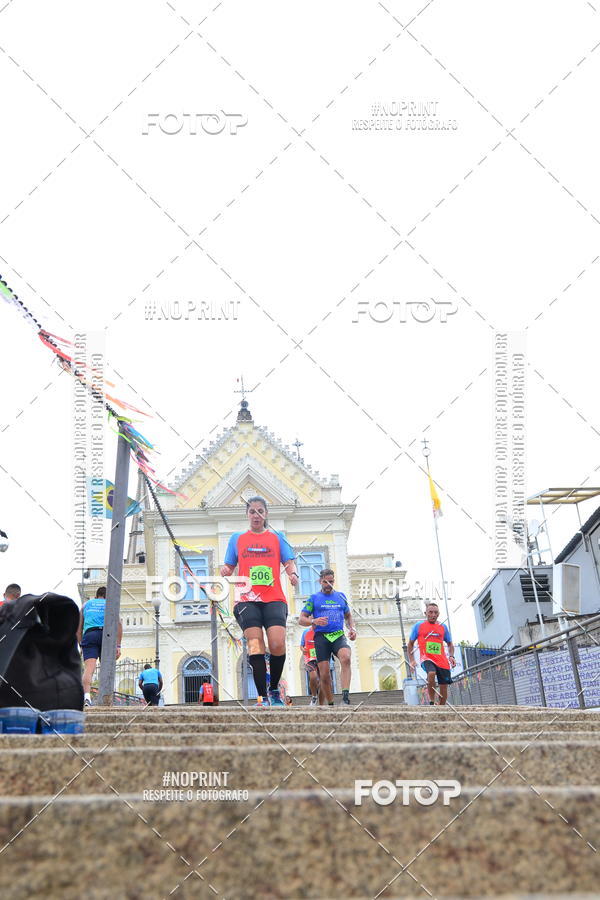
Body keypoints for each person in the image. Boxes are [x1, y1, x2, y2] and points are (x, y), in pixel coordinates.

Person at [221, 496, 299, 708]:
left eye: (260, 511)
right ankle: (262, 697)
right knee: (255, 645)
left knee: (276, 643)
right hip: (247, 600)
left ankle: (274, 689)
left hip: (274, 598)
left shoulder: (277, 537)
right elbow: (229, 564)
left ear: (266, 514)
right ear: (247, 514)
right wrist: (226, 570)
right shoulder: (237, 538)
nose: (256, 515)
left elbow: (288, 561)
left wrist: (293, 575)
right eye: (252, 511)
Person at [298, 569, 356, 706]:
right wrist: (314, 621)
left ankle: (346, 697)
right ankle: (330, 704)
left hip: (337, 635)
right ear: (320, 581)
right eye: (325, 582)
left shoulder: (341, 597)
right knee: (324, 675)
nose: (329, 584)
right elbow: (301, 619)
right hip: (321, 638)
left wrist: (352, 628)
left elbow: (348, 616)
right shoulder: (314, 598)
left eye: (331, 581)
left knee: (346, 658)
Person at [76, 586, 123, 707]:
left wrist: (81, 645)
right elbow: (119, 625)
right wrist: (118, 645)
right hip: (107, 635)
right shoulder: (111, 604)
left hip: (90, 634)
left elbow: (78, 630)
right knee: (106, 669)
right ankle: (106, 699)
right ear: (107, 596)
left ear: (96, 596)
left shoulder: (86, 605)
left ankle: (87, 698)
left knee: (89, 669)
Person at [407, 602, 456, 705]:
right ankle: (432, 701)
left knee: (443, 686)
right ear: (425, 613)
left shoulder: (443, 627)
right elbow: (410, 644)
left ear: (438, 614)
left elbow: (450, 643)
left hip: (442, 661)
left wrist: (451, 656)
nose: (433, 615)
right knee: (431, 673)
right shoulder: (418, 626)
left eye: (435, 613)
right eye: (430, 612)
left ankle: (441, 707)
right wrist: (411, 660)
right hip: (427, 658)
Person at [300, 625, 321, 707]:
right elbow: (301, 646)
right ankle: (314, 697)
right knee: (313, 677)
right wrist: (303, 649)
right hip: (309, 658)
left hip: (321, 657)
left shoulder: (322, 631)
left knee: (322, 680)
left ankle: (321, 699)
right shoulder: (305, 632)